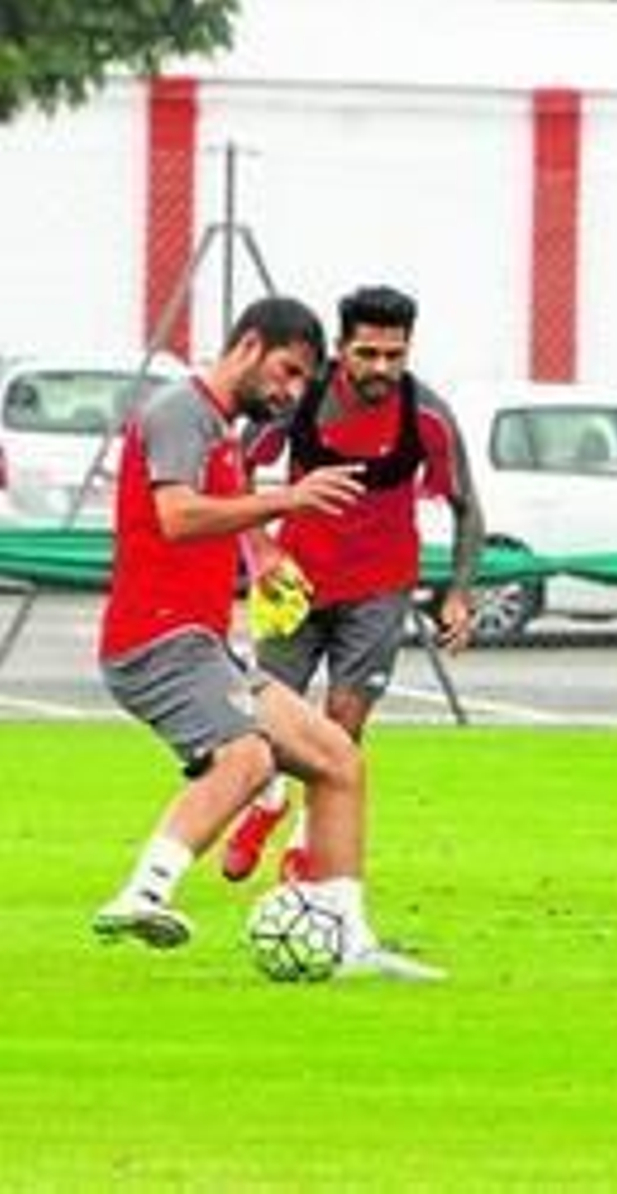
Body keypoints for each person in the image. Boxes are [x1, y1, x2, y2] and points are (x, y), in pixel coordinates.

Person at [91, 295, 443, 980]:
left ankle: (347, 939)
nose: (286, 394)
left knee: (337, 758)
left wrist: (263, 560)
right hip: (155, 642)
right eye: (284, 373)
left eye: (300, 384)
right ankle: (143, 892)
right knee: (248, 760)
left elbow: (215, 522)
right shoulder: (180, 412)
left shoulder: (221, 428)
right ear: (249, 345)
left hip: (200, 642)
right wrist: (290, 500)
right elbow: (178, 516)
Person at [221, 284, 485, 883]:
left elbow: (468, 507)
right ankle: (268, 801)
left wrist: (460, 592)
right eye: (368, 354)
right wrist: (259, 546)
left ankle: (308, 842)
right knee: (269, 720)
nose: (381, 368)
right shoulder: (299, 402)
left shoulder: (427, 416)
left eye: (395, 355)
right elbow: (236, 464)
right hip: (295, 582)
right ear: (341, 349)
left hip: (379, 589)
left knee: (342, 726)